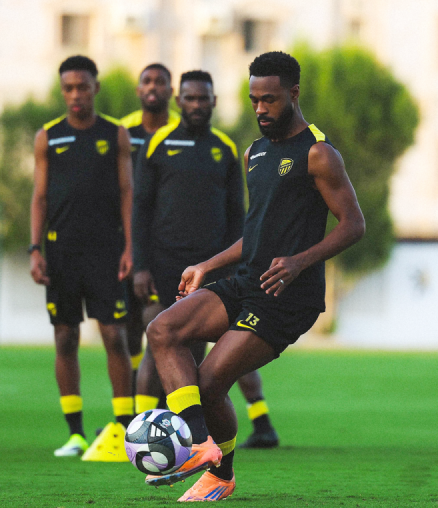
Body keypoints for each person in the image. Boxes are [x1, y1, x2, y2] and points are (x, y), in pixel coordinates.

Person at [142, 51, 366, 501]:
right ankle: (203, 450)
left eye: (270, 100)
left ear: (293, 94)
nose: (260, 109)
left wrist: (299, 261)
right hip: (246, 282)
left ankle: (218, 471)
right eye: (254, 100)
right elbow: (257, 232)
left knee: (210, 382)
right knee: (162, 330)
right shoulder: (254, 152)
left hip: (288, 297)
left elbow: (354, 225)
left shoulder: (319, 154)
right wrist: (207, 265)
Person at [127, 67, 281, 449]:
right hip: (163, 265)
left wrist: (236, 267)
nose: (196, 104)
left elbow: (238, 216)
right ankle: (138, 428)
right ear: (178, 101)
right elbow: (140, 209)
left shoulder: (225, 148)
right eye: (190, 98)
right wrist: (140, 265)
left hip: (212, 268)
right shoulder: (157, 143)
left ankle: (197, 432)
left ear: (214, 101)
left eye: (203, 98)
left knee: (204, 353)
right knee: (157, 339)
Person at [29, 55, 134, 458]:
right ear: (62, 91)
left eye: (83, 87)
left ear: (96, 88)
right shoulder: (48, 137)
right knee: (65, 336)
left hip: (107, 250)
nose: (76, 95)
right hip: (61, 252)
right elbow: (40, 197)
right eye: (69, 88)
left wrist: (130, 246)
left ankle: (124, 429)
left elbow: (127, 192)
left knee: (114, 335)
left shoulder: (115, 134)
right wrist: (35, 249)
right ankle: (75, 433)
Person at [120, 63, 180, 390]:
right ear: (138, 89)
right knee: (127, 324)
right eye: (147, 81)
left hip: (166, 243)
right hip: (125, 242)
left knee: (158, 321)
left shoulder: (181, 131)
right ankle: (133, 394)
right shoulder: (123, 131)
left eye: (160, 81)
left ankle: (155, 397)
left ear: (171, 90)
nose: (153, 86)